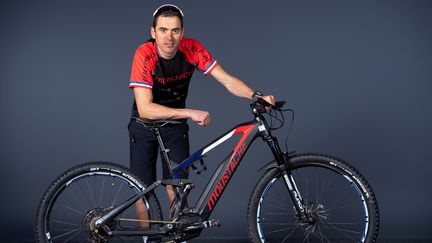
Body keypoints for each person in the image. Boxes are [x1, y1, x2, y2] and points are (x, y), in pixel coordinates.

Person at [127, 3, 275, 238]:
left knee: (177, 189)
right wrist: (189, 113)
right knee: (142, 191)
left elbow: (226, 80)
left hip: (174, 129)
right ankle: (147, 240)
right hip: (144, 127)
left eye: (175, 30)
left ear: (182, 32)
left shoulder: (192, 48)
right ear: (153, 32)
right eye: (163, 30)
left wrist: (257, 96)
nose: (169, 37)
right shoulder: (145, 54)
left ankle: (177, 237)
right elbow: (145, 109)